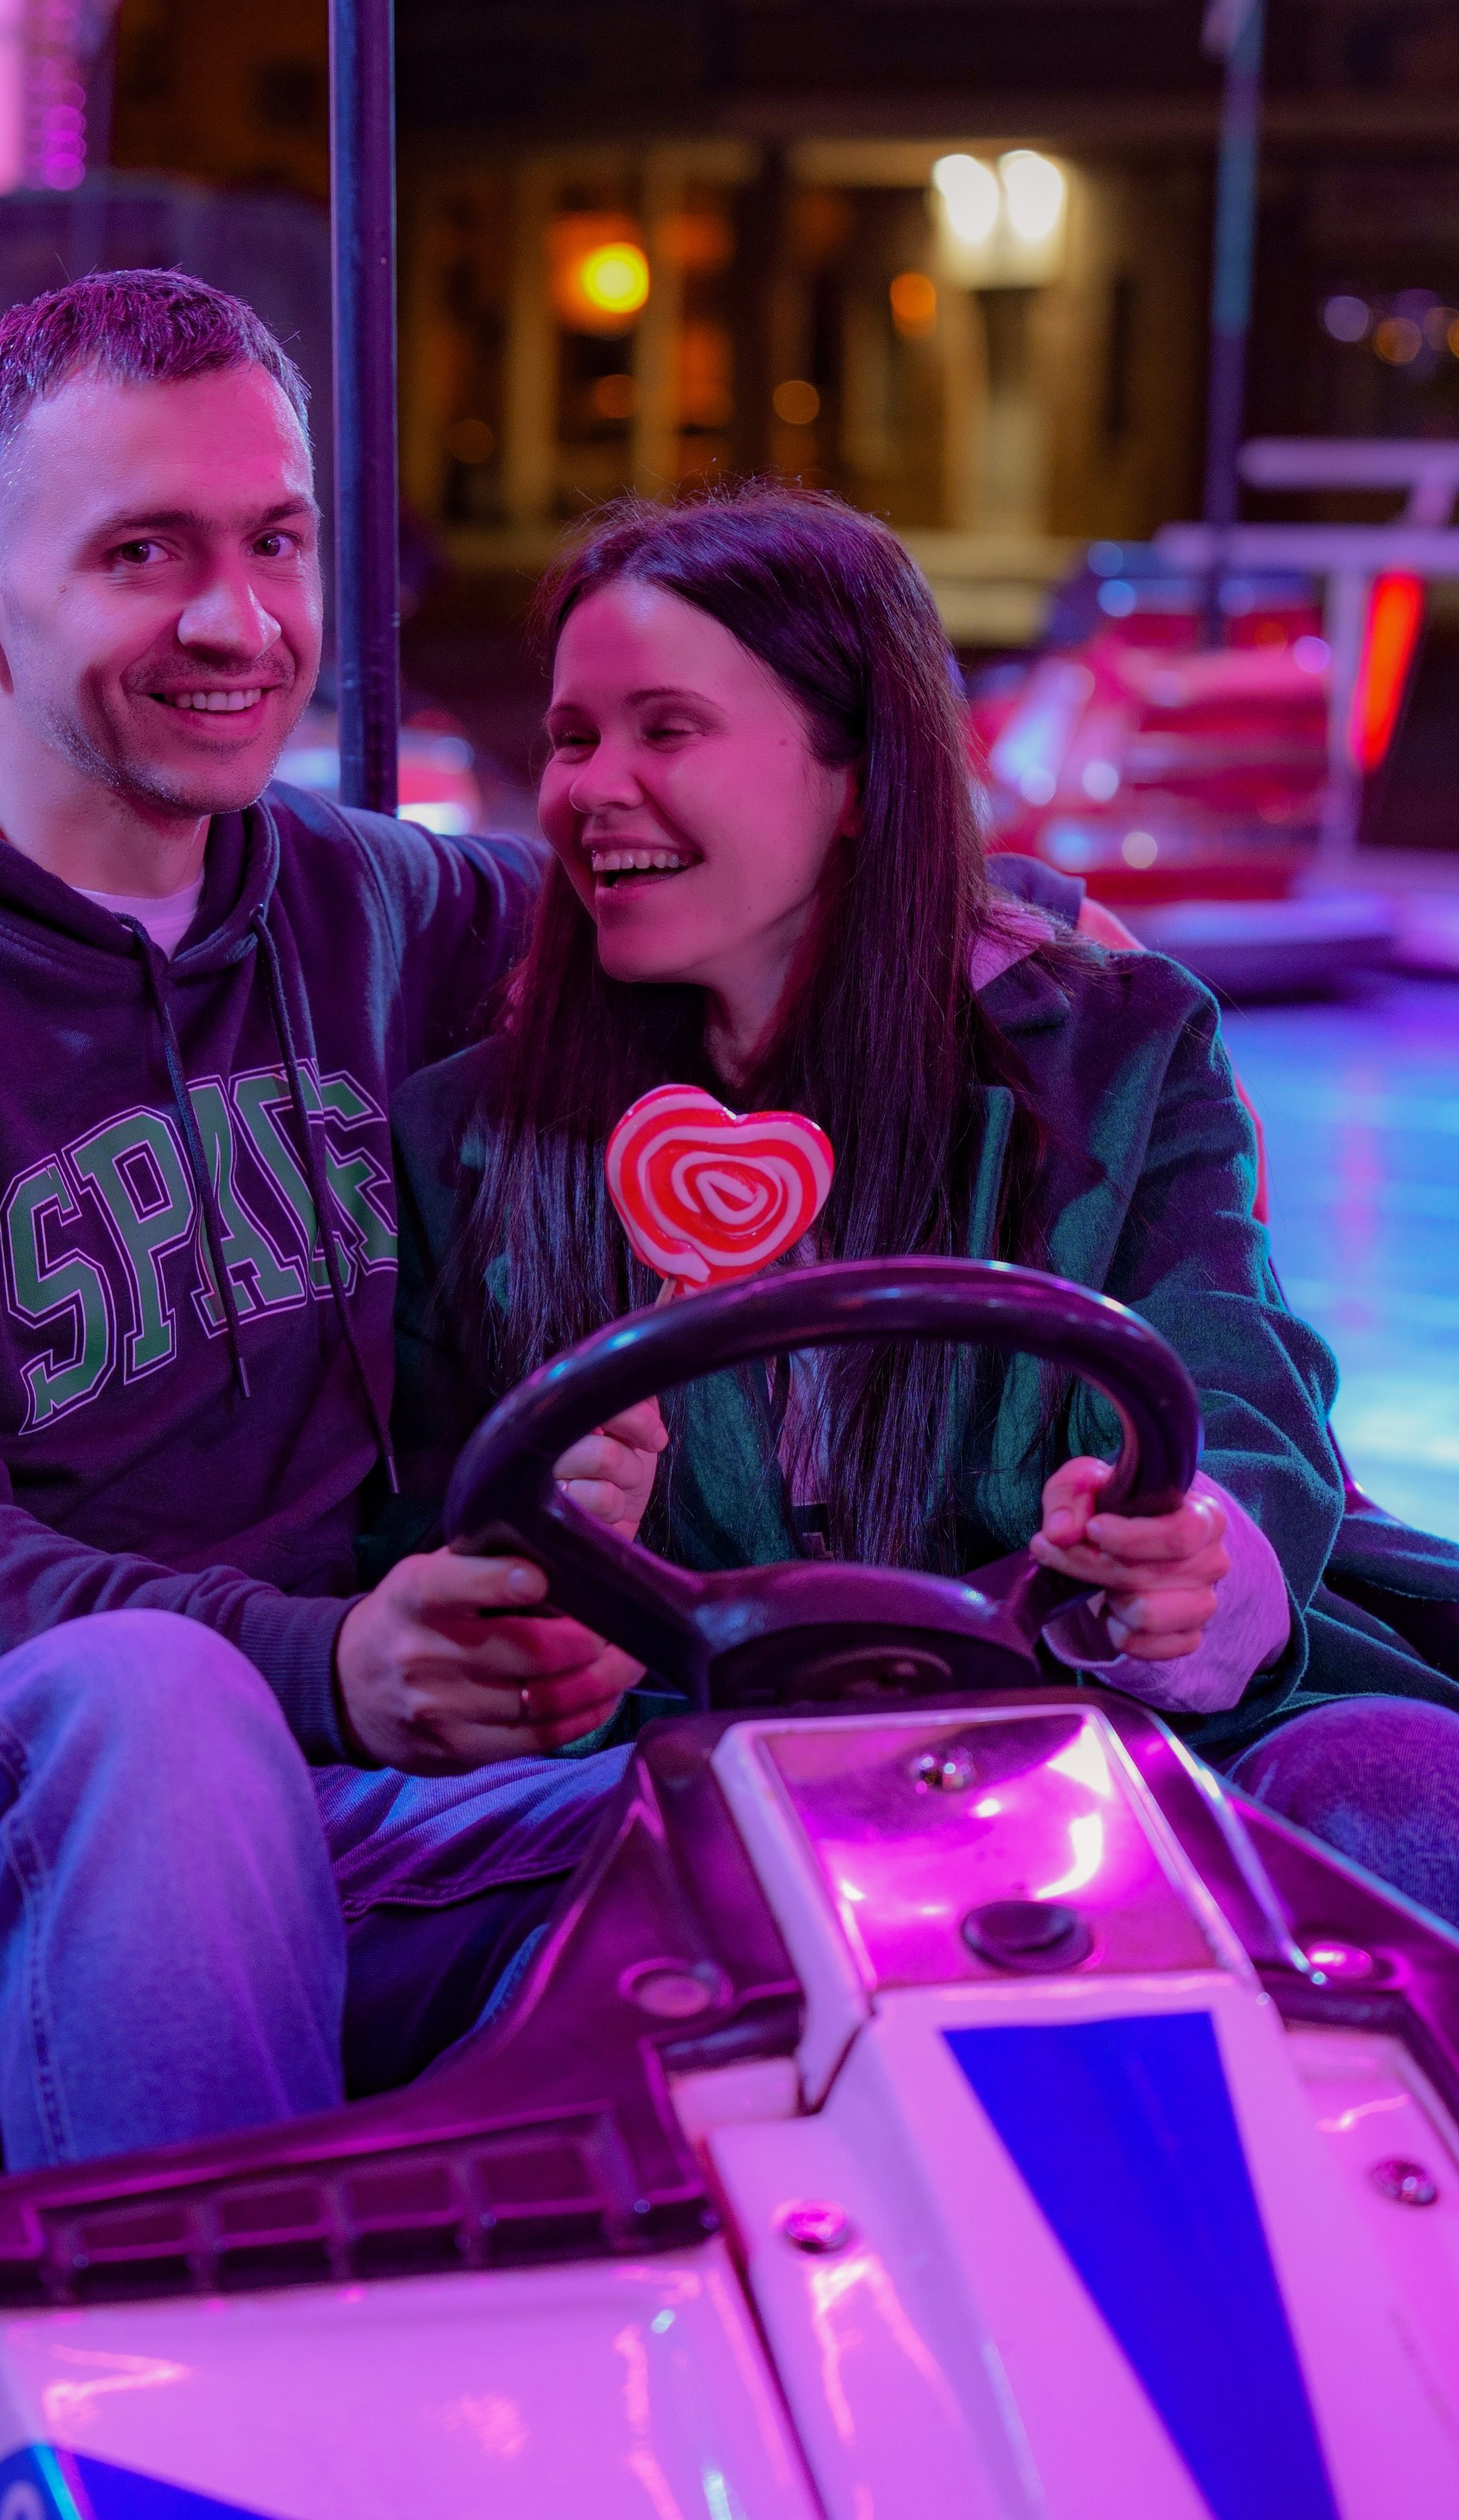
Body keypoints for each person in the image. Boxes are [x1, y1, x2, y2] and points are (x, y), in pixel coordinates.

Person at [0, 270, 657, 2186]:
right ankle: (230, 2439)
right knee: (152, 1720)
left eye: (273, 540)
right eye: (141, 551)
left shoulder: (367, 905)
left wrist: (982, 919)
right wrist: (320, 1663)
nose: (235, 620)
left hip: (330, 1781)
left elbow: (676, 903)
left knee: (826, 1798)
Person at [383, 486, 1459, 1926]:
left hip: (1119, 1740)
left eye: (666, 728)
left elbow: (1240, 1367)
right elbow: (427, 1557)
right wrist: (558, 1573)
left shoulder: (1114, 1051)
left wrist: (1190, 1553)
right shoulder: (475, 1133)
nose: (587, 786)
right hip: (698, 1777)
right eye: (574, 736)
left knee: (1391, 1787)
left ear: (861, 778)